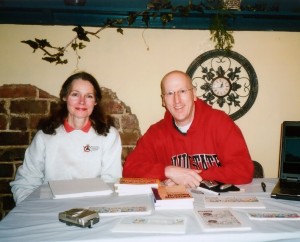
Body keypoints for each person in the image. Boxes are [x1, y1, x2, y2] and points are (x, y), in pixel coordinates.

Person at [123, 70, 254, 188]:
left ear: (194, 94)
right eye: (169, 93)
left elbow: (243, 170)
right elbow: (129, 169)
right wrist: (169, 172)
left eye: (182, 91)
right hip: (177, 207)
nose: (177, 100)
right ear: (163, 100)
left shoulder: (220, 123)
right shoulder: (156, 133)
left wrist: (191, 177)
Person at [10, 71, 122, 204]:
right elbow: (26, 182)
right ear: (65, 97)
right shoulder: (45, 136)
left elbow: (111, 182)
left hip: (93, 207)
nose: (82, 101)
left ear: (95, 102)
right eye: (75, 94)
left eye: (89, 96)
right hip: (50, 208)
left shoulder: (109, 135)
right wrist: (30, 210)